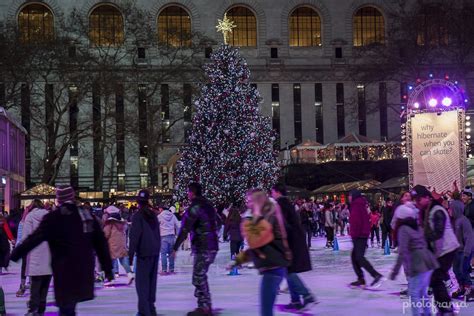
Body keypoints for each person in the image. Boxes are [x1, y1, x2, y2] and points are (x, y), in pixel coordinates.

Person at [10, 185, 113, 316]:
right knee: (70, 307)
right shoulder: (85, 215)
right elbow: (100, 242)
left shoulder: (54, 217)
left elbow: (34, 238)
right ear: (72, 197)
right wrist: (108, 268)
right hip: (83, 270)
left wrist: (15, 254)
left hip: (64, 271)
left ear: (58, 200)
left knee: (66, 307)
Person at [232, 189, 291, 316]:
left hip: (273, 267)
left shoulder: (267, 218)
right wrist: (238, 260)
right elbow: (254, 246)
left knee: (266, 311)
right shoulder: (263, 217)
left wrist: (255, 218)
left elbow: (257, 242)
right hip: (272, 267)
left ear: (258, 202)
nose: (247, 204)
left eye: (250, 201)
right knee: (266, 310)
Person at [412, 185, 459, 315]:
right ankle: (444, 308)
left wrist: (421, 240)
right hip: (439, 250)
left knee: (436, 278)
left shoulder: (437, 210)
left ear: (427, 197)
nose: (417, 203)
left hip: (447, 249)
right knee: (435, 279)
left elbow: (438, 233)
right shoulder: (426, 210)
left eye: (419, 199)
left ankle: (446, 309)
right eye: (415, 200)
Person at [172, 182, 219, 316]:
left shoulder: (194, 207)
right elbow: (219, 221)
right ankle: (205, 305)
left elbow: (185, 228)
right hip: (212, 246)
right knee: (200, 275)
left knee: (198, 277)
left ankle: (204, 307)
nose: (187, 194)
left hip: (203, 246)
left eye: (188, 192)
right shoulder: (209, 205)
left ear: (192, 193)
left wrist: (175, 248)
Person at [271, 184, 317, 312]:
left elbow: (282, 226)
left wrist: (281, 244)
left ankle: (307, 296)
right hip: (294, 241)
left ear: (277, 192)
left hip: (290, 242)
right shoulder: (286, 203)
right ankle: (295, 300)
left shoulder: (280, 204)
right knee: (288, 270)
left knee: (289, 271)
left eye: (272, 192)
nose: (271, 194)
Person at [390, 213, 439, 316]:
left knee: (414, 293)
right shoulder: (417, 227)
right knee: (422, 292)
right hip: (428, 260)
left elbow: (402, 251)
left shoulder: (403, 229)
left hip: (418, 262)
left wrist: (395, 271)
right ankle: (427, 313)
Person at [129, 189, 161, 316]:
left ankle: (144, 311)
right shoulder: (153, 215)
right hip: (154, 252)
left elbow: (134, 237)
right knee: (151, 282)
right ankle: (151, 308)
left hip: (144, 253)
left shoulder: (138, 216)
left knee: (142, 284)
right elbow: (157, 234)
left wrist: (130, 255)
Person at [21, 199, 52, 315]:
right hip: (49, 257)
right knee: (44, 287)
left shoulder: (30, 217)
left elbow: (26, 238)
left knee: (35, 287)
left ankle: (33, 310)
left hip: (35, 256)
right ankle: (41, 310)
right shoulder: (50, 216)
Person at [348, 189, 385, 289]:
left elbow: (356, 221)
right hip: (362, 234)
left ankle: (375, 275)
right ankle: (361, 279)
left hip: (359, 235)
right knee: (354, 256)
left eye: (350, 195)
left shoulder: (356, 205)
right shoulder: (361, 204)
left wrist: (354, 234)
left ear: (354, 196)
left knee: (359, 257)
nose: (349, 197)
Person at [448, 200, 474, 301]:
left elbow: (469, 238)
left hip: (464, 251)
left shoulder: (464, 221)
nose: (449, 210)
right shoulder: (453, 220)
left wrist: (467, 253)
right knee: (456, 271)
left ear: (456, 209)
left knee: (464, 270)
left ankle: (470, 289)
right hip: (456, 251)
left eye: (450, 208)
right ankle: (462, 287)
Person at [103, 212, 135, 285]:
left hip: (112, 244)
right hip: (121, 244)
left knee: (110, 262)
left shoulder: (110, 224)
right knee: (123, 260)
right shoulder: (123, 225)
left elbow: (105, 234)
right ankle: (130, 274)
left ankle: (111, 279)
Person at [158, 206, 180, 275]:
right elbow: (178, 225)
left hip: (163, 236)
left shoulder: (160, 216)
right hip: (171, 236)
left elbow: (155, 225)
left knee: (163, 253)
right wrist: (177, 234)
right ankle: (171, 269)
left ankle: (164, 269)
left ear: (161, 209)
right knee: (171, 253)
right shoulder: (173, 216)